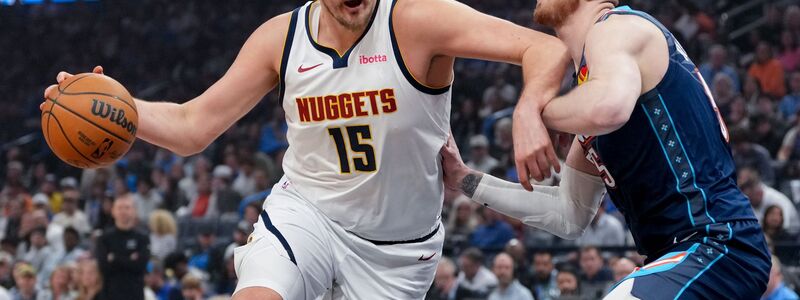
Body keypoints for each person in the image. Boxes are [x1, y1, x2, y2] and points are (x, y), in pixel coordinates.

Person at [46, 0, 569, 299]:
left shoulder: (418, 18)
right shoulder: (281, 37)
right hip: (308, 213)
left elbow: (543, 46)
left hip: (398, 252)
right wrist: (118, 108)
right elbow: (191, 126)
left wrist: (527, 110)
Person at [444, 0, 773, 298]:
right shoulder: (592, 82)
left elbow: (608, 109)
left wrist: (532, 112)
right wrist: (465, 181)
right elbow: (569, 213)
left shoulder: (615, 28)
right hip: (681, 256)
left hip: (716, 243)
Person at [95, 194, 150, 300]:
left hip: (135, 294)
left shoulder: (142, 238)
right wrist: (129, 259)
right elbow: (104, 267)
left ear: (134, 211)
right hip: (110, 294)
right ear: (113, 211)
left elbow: (140, 266)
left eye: (127, 208)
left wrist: (115, 258)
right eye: (119, 208)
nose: (123, 211)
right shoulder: (104, 238)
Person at [739, 168, 800, 234]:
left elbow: (784, 228)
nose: (748, 199)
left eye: (749, 196)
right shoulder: (746, 200)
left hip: (789, 238)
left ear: (758, 192)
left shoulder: (778, 200)